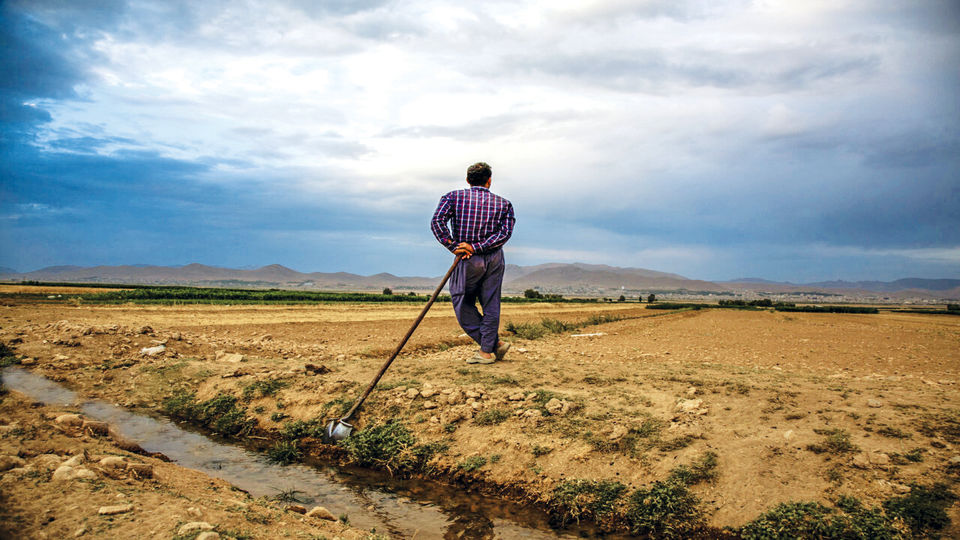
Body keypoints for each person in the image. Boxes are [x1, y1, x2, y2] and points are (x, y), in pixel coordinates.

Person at [430, 162, 516, 364]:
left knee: (461, 300)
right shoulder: (504, 204)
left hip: (467, 258)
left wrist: (455, 245)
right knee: (491, 303)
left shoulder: (453, 197)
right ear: (489, 181)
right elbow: (505, 234)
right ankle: (492, 347)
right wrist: (478, 246)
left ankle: (489, 349)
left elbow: (437, 221)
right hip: (494, 258)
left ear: (468, 180)